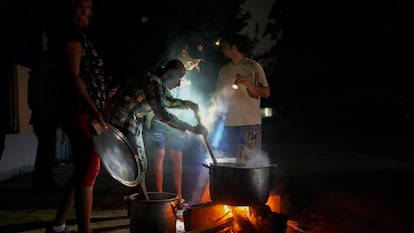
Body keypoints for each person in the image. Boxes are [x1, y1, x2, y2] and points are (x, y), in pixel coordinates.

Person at [44, 0, 110, 232]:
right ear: (72, 3)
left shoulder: (76, 33)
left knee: (83, 166)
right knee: (91, 164)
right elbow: (73, 75)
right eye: (87, 6)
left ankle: (58, 226)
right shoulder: (69, 32)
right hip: (78, 108)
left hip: (83, 108)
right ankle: (85, 230)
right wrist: (94, 109)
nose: (91, 12)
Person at [110, 59, 207, 210]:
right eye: (178, 80)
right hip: (124, 122)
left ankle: (136, 205)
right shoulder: (152, 80)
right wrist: (190, 128)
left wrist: (189, 105)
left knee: (140, 166)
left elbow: (167, 101)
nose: (178, 84)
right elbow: (162, 112)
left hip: (134, 123)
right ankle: (141, 208)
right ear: (169, 74)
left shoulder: (157, 82)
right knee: (137, 166)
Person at [215, 33, 270, 160]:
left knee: (251, 162)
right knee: (230, 161)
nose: (223, 49)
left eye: (225, 47)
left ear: (234, 48)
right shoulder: (223, 70)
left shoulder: (253, 66)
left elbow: (266, 93)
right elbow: (218, 97)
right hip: (229, 124)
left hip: (250, 123)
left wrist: (249, 85)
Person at [27, 51, 60, 195]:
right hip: (44, 119)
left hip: (44, 119)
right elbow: (39, 98)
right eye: (46, 62)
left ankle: (44, 180)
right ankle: (41, 182)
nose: (48, 65)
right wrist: (44, 116)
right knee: (45, 151)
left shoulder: (40, 77)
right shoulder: (38, 77)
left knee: (46, 151)